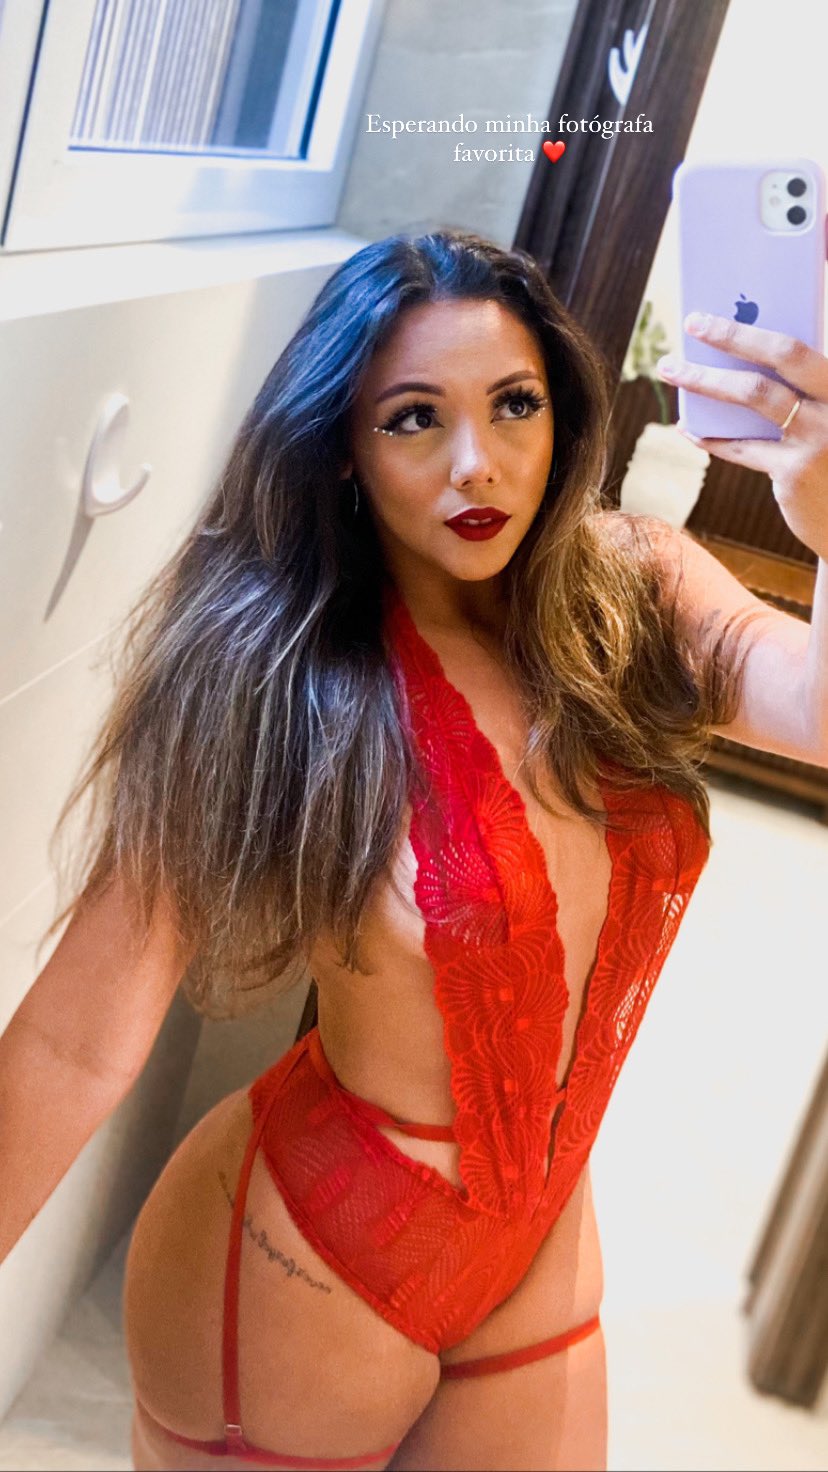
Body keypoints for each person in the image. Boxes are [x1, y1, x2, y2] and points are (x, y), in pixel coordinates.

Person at [2, 228, 826, 1472]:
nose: (475, 461)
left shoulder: (634, 594)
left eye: (514, 404)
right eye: (413, 419)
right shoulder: (270, 672)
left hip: (540, 1234)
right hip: (309, 1252)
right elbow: (72, 1045)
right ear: (343, 444)